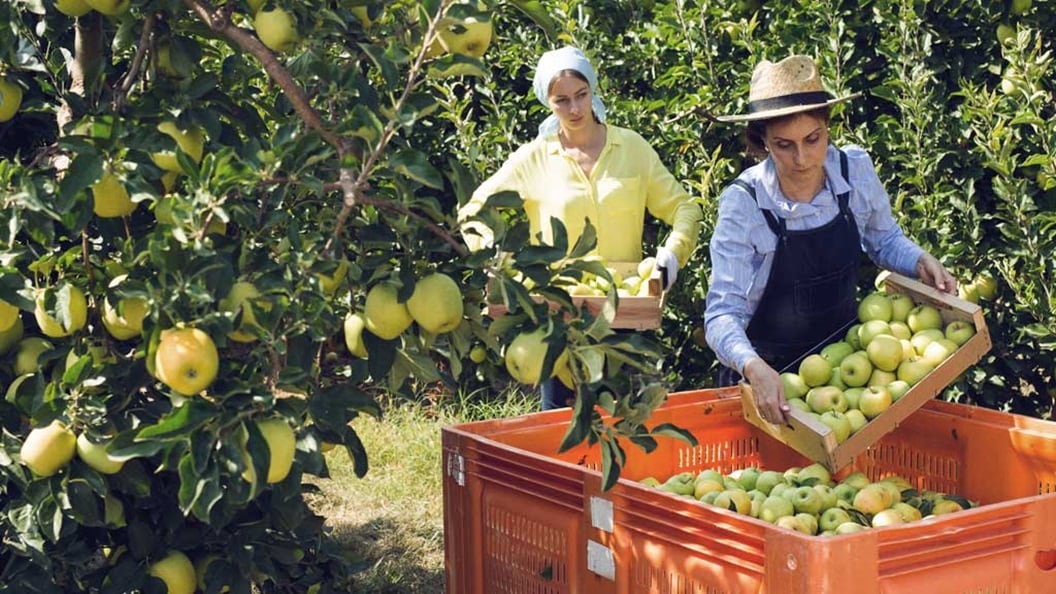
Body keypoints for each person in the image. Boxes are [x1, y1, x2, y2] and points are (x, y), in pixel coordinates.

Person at [704, 55, 957, 425]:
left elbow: (883, 239)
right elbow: (723, 314)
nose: (802, 158)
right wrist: (752, 365)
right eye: (783, 145)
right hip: (771, 385)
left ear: (828, 128)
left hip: (851, 373)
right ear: (762, 142)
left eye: (813, 139)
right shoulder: (745, 205)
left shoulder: (852, 170)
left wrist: (919, 260)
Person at [458, 46, 702, 410]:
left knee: (628, 422)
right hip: (559, 316)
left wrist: (674, 251)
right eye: (561, 101)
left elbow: (685, 206)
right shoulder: (534, 158)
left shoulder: (631, 147)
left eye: (581, 96)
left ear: (593, 91)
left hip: (625, 312)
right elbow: (473, 210)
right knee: (559, 426)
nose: (574, 109)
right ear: (547, 102)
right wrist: (492, 255)